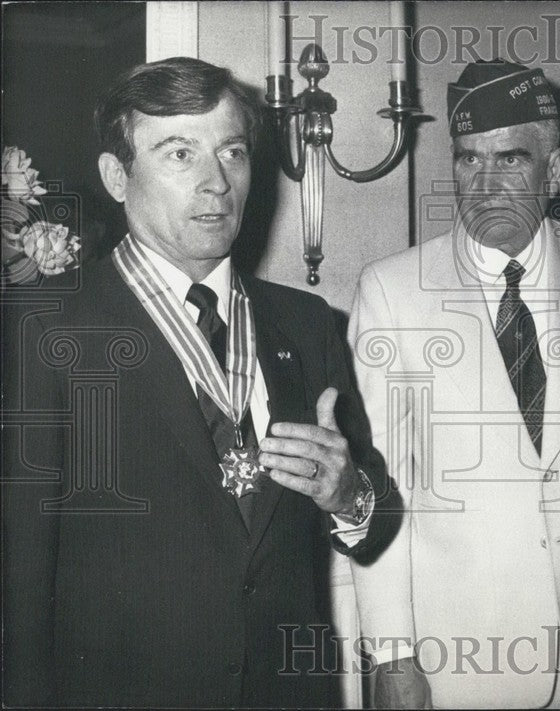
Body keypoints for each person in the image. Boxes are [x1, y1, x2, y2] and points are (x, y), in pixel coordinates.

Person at [1, 57, 393, 707]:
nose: (217, 182)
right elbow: (18, 577)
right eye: (179, 152)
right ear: (115, 177)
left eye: (232, 152)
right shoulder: (44, 338)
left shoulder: (306, 324)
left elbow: (371, 516)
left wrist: (350, 495)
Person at [348, 59, 560, 708]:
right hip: (454, 662)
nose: (485, 184)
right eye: (468, 160)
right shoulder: (393, 291)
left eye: (510, 159)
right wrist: (391, 652)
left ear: (552, 171)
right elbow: (375, 488)